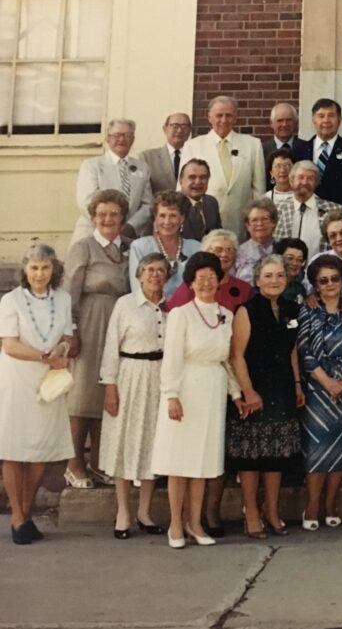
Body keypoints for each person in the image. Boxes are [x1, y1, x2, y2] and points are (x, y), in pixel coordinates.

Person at [150, 252, 242, 549]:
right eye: (200, 278)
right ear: (190, 282)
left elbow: (226, 360)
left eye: (211, 277)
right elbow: (172, 358)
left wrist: (236, 393)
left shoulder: (226, 315)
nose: (206, 283)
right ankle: (176, 525)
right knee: (180, 460)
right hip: (186, 388)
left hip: (212, 391)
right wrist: (171, 395)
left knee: (202, 461)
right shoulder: (181, 314)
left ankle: (195, 523)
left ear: (219, 280)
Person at [227, 254, 304, 539]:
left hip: (282, 388)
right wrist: (248, 391)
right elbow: (236, 355)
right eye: (268, 276)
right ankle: (252, 514)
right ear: (257, 280)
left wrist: (297, 384)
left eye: (280, 275)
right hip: (255, 388)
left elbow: (292, 350)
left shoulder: (291, 309)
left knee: (276, 455)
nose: (274, 280)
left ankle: (272, 511)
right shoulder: (246, 310)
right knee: (251, 457)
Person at [1, 245, 73, 544]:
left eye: (45, 268)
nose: (40, 274)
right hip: (17, 379)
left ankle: (27, 513)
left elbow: (68, 336)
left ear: (54, 269)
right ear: (25, 270)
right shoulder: (11, 300)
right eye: (34, 268)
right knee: (14, 448)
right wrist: (45, 357)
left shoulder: (63, 298)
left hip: (49, 382)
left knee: (41, 449)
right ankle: (17, 517)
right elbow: (10, 345)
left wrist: (62, 349)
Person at [100, 253, 171, 539]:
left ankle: (144, 512)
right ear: (139, 275)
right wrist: (109, 386)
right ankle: (123, 513)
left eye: (160, 270)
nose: (155, 275)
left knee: (152, 443)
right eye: (149, 270)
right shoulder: (125, 304)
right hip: (129, 376)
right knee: (124, 442)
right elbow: (111, 346)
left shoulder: (171, 306)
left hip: (160, 379)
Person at [65, 190, 133, 489]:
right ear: (93, 217)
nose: (108, 219)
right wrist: (71, 330)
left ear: (123, 218)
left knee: (109, 391)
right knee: (83, 395)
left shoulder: (130, 247)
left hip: (120, 323)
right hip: (90, 322)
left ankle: (99, 462)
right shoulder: (83, 248)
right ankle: (74, 463)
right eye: (102, 214)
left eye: (114, 214)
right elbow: (69, 291)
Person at [298, 255, 342, 530]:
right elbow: (303, 350)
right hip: (317, 387)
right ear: (315, 285)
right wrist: (327, 383)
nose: (330, 284)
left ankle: (330, 503)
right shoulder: (307, 310)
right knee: (317, 449)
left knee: (341, 449)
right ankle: (312, 505)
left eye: (334, 278)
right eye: (323, 280)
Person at [180, 96, 266, 241]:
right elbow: (182, 189)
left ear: (235, 117)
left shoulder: (253, 145)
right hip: (203, 226)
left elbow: (259, 191)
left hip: (241, 226)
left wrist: (256, 224)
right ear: (209, 117)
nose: (224, 120)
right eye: (219, 115)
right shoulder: (193, 146)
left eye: (229, 115)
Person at [72, 118, 153, 243]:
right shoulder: (92, 165)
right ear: (108, 139)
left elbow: (147, 204)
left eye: (127, 135)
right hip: (93, 234)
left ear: (133, 139)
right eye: (117, 135)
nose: (121, 139)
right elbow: (86, 201)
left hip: (127, 237)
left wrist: (131, 226)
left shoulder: (142, 168)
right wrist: (109, 224)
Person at [292, 98, 342, 208]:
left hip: (341, 213)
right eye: (321, 116)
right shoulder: (299, 150)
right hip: (307, 212)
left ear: (339, 120)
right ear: (313, 119)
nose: (326, 120)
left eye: (331, 115)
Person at [130, 191, 202, 296]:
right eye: (162, 216)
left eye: (173, 216)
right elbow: (137, 289)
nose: (167, 221)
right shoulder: (140, 247)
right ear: (155, 217)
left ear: (182, 218)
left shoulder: (196, 248)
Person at [166, 229, 253, 313]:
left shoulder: (244, 289)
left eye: (230, 250)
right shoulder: (192, 286)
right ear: (206, 252)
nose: (224, 254)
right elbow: (173, 314)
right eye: (218, 250)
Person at [271, 160, 342, 258]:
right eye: (301, 177)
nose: (304, 182)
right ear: (291, 181)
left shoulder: (333, 210)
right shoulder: (277, 209)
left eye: (310, 178)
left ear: (316, 183)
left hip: (321, 265)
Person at [139, 112, 192, 195]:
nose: (179, 130)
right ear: (165, 129)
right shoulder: (147, 157)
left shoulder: (196, 155)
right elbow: (143, 191)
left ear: (190, 130)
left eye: (184, 126)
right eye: (175, 126)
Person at [232, 198, 279, 285]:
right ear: (247, 225)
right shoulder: (237, 252)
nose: (260, 224)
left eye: (265, 219)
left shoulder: (283, 248)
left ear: (273, 222)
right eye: (254, 220)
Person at [178, 158, 223, 241]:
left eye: (203, 177)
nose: (198, 182)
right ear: (181, 181)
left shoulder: (211, 202)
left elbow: (218, 235)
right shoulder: (172, 205)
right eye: (192, 177)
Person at [274, 238, 309, 305]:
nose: (295, 263)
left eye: (299, 260)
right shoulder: (266, 285)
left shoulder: (300, 290)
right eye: (290, 258)